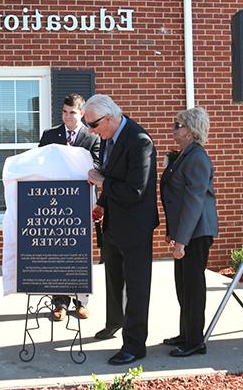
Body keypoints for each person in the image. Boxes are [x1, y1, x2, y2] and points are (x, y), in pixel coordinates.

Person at [85, 94, 158, 366]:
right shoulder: (107, 138)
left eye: (93, 125)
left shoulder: (140, 141)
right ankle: (114, 322)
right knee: (113, 277)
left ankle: (135, 344)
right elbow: (115, 176)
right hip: (114, 221)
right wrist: (102, 204)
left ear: (109, 118)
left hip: (136, 227)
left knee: (137, 286)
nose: (91, 131)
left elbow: (136, 189)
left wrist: (101, 182)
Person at [160, 107, 218, 357]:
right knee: (183, 286)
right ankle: (186, 333)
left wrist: (181, 241)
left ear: (191, 131)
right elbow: (177, 197)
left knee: (193, 288)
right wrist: (173, 232)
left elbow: (194, 201)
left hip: (196, 232)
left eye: (178, 125)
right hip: (185, 231)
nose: (174, 128)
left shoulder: (197, 158)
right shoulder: (185, 154)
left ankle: (195, 341)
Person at [38, 93, 100, 322]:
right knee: (58, 251)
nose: (67, 117)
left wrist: (72, 160)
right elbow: (40, 162)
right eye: (64, 112)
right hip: (55, 203)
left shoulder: (92, 136)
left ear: (82, 113)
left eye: (72, 112)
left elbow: (97, 165)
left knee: (81, 251)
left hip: (81, 202)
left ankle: (81, 302)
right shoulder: (50, 135)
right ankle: (59, 301)